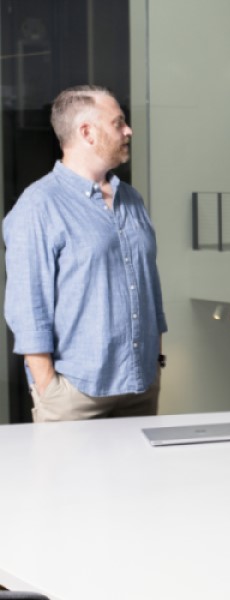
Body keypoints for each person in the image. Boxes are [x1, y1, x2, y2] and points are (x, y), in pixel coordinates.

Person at [3, 85, 166, 422]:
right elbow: (28, 307)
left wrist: (155, 364)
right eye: (118, 123)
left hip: (141, 385)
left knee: (142, 478)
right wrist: (50, 389)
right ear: (87, 133)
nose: (128, 130)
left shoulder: (132, 199)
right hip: (76, 395)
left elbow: (150, 287)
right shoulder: (38, 206)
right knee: (69, 478)